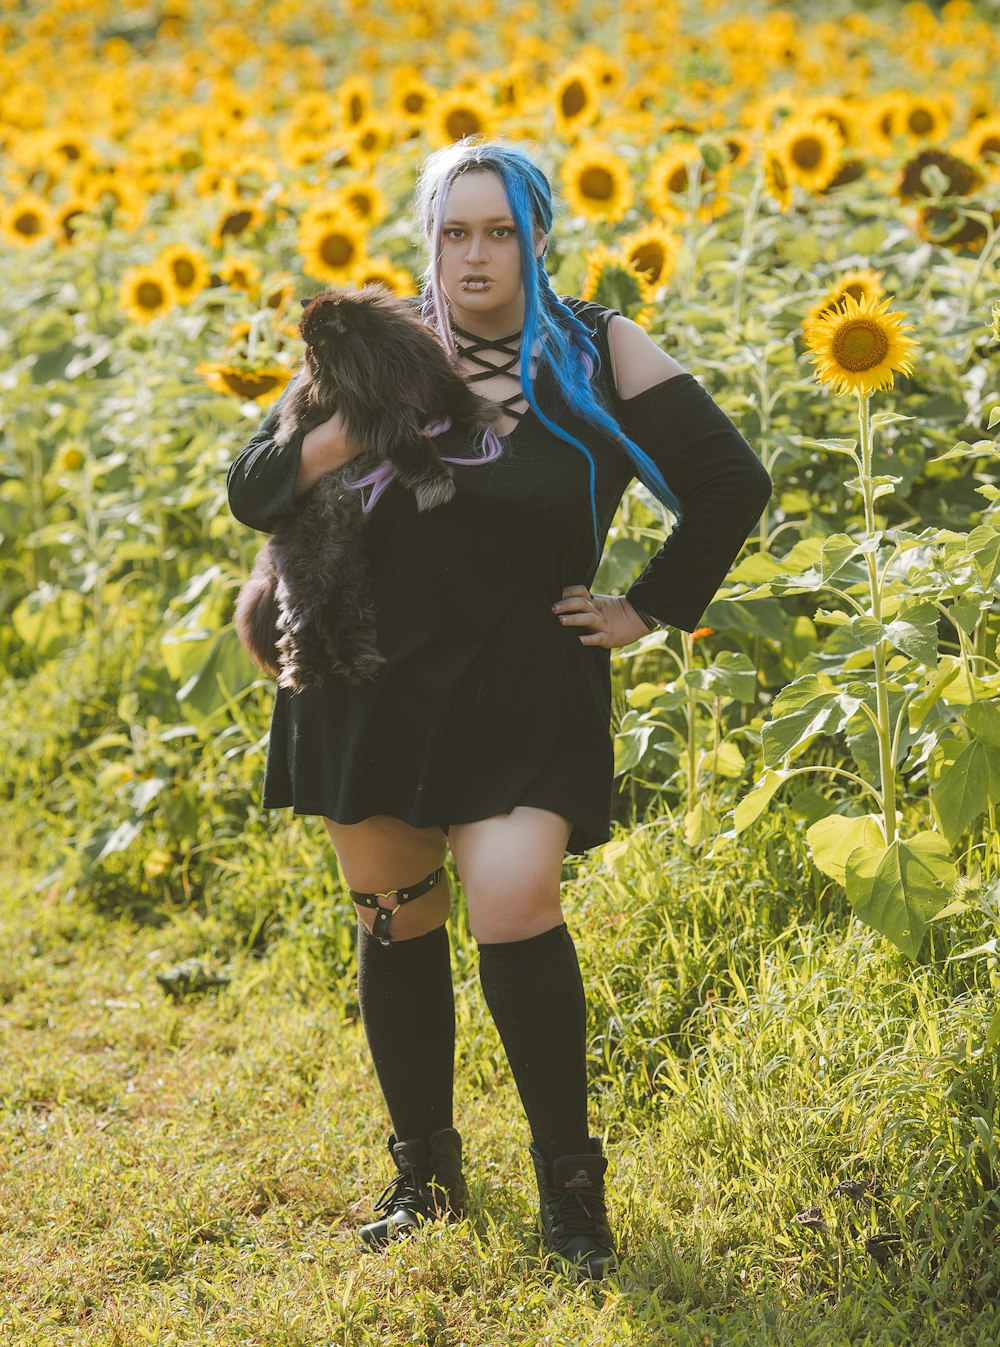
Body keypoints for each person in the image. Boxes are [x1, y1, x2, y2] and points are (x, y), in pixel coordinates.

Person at [227, 136, 772, 1283]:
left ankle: (572, 1195)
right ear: (428, 239)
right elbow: (254, 487)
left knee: (515, 899)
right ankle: (423, 1174)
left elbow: (731, 481)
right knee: (395, 919)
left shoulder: (596, 348)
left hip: (526, 677)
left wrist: (648, 608)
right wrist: (345, 432)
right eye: (453, 232)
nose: (474, 257)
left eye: (499, 232)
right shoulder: (381, 352)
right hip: (366, 680)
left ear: (536, 237)